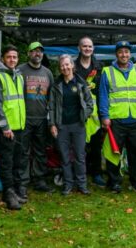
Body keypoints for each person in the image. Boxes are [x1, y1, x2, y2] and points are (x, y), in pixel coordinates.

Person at [100, 41, 136, 194]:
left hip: (135, 119)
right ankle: (114, 182)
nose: (124, 55)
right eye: (121, 52)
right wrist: (104, 116)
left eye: (126, 52)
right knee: (114, 153)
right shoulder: (107, 72)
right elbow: (103, 95)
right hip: (116, 120)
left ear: (130, 54)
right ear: (116, 54)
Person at [0, 45, 27, 210]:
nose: (12, 60)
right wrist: (5, 127)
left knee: (17, 161)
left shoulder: (18, 76)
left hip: (19, 126)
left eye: (15, 57)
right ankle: (8, 193)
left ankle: (15, 191)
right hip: (6, 129)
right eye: (9, 57)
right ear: (3, 58)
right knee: (6, 162)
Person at [49, 54, 93, 196]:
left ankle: (82, 185)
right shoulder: (56, 85)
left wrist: (84, 116)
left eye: (67, 64)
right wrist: (52, 124)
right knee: (65, 156)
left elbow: (90, 104)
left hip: (78, 125)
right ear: (60, 68)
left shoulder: (81, 83)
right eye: (62, 65)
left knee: (80, 156)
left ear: (72, 66)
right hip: (62, 126)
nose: (65, 67)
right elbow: (51, 106)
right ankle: (68, 184)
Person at [17, 41, 55, 194]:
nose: (37, 54)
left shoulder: (48, 73)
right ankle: (23, 182)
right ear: (28, 53)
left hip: (41, 119)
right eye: (34, 51)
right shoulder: (19, 70)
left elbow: (52, 97)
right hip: (24, 118)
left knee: (40, 151)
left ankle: (40, 180)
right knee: (23, 151)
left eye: (40, 51)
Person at [74, 36, 105, 187]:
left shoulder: (99, 67)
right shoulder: (72, 66)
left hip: (96, 112)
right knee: (79, 144)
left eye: (90, 46)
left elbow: (104, 90)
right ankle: (80, 173)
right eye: (84, 46)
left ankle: (97, 173)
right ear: (79, 48)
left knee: (96, 144)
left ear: (93, 49)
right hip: (77, 111)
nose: (87, 49)